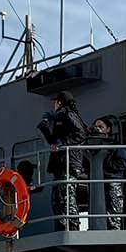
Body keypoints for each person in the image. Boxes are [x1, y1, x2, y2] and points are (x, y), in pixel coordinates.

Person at [37, 92, 89, 229]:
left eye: (55, 102)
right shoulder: (60, 117)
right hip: (61, 164)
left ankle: (72, 228)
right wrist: (45, 127)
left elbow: (81, 134)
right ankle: (61, 226)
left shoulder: (68, 114)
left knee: (67, 197)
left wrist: (62, 143)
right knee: (57, 198)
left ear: (59, 102)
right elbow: (53, 141)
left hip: (69, 163)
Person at [90, 115, 126, 229]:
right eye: (96, 127)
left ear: (108, 129)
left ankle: (115, 233)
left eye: (101, 127)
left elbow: (123, 163)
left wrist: (106, 166)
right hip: (98, 182)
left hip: (112, 181)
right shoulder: (92, 147)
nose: (98, 129)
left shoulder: (115, 145)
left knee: (113, 212)